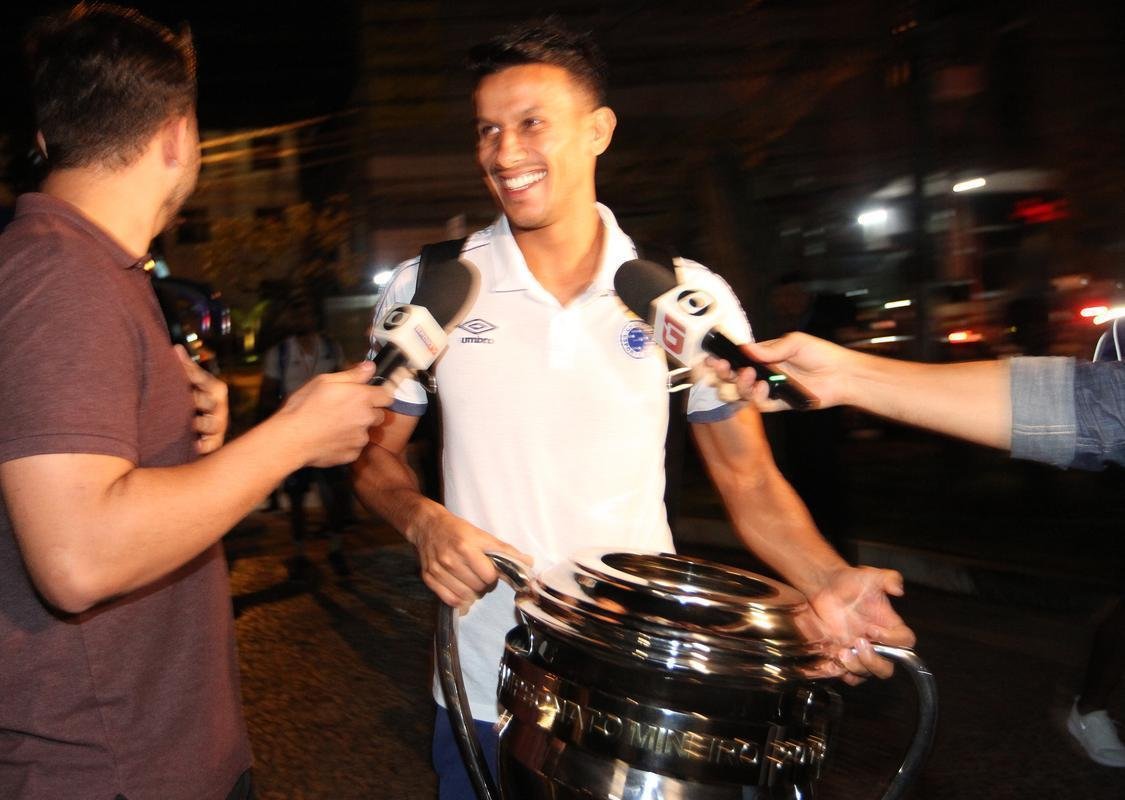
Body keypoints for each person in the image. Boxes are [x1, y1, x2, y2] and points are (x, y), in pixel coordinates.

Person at [350, 19, 915, 799]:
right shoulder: (433, 286)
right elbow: (373, 450)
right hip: (485, 684)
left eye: (530, 124)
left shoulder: (682, 296)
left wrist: (827, 577)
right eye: (488, 130)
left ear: (597, 131)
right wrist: (421, 521)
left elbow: (748, 481)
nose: (505, 153)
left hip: (642, 695)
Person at [0, 6, 389, 799]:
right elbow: (78, 557)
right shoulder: (60, 277)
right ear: (178, 135)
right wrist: (290, 437)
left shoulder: (99, 271)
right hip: (108, 769)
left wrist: (177, 434)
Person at [709, 326, 1125, 767]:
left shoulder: (692, 293)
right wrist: (847, 376)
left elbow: (1101, 408)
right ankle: (1090, 707)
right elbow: (1100, 406)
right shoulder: (681, 302)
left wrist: (827, 579)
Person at [259, 298, 353, 579]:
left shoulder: (330, 347)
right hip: (296, 435)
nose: (302, 320)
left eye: (307, 314)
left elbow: (344, 380)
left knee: (334, 491)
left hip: (330, 432)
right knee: (297, 496)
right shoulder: (280, 353)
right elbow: (267, 392)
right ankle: (299, 551)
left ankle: (336, 547)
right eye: (296, 314)